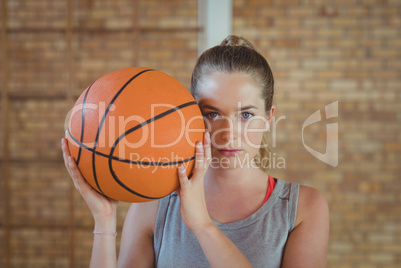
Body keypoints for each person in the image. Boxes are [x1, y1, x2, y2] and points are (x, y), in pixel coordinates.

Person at [61, 35, 329, 267]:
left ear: (269, 117)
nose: (228, 133)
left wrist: (203, 226)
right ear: (190, 115)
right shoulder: (153, 204)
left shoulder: (303, 208)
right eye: (212, 114)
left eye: (246, 114)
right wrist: (105, 221)